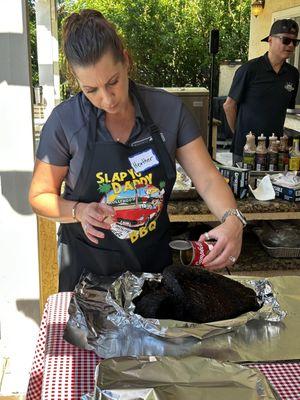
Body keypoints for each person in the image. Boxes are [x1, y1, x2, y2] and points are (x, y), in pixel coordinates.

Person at [29, 9, 246, 292]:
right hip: (87, 273)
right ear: (76, 81)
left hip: (151, 269)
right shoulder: (65, 122)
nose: (106, 99)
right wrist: (78, 210)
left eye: (113, 82)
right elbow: (38, 196)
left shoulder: (167, 111)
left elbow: (206, 178)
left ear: (126, 61)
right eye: (91, 90)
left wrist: (233, 219)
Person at [223, 19, 300, 165]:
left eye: (294, 42)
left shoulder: (293, 74)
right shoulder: (249, 70)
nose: (290, 45)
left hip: (274, 149)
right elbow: (229, 105)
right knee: (244, 187)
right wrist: (239, 135)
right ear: (270, 40)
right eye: (286, 40)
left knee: (272, 187)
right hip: (248, 149)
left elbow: (284, 109)